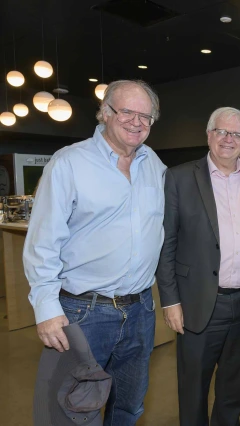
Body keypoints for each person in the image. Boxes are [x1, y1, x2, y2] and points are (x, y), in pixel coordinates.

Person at [23, 80, 166, 426]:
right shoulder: (69, 163)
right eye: (126, 111)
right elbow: (43, 241)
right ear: (105, 113)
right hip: (83, 313)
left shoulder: (155, 166)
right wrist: (45, 307)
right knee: (73, 411)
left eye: (145, 115)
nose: (137, 121)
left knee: (129, 408)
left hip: (140, 311)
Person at [156, 107, 240, 426]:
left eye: (236, 134)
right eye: (221, 131)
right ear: (208, 135)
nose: (228, 139)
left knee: (235, 387)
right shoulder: (179, 177)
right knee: (193, 387)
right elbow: (167, 242)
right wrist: (170, 300)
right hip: (200, 301)